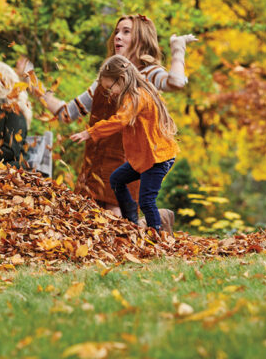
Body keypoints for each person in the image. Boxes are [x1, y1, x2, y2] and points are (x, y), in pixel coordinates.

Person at [19, 14, 196, 234]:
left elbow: (176, 82)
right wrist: (33, 84)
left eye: (126, 31)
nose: (118, 37)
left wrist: (178, 48)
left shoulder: (148, 74)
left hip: (129, 159)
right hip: (96, 165)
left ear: (141, 38)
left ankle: (160, 219)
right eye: (117, 31)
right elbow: (66, 114)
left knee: (116, 227)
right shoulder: (105, 80)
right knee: (87, 224)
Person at [70, 55, 178, 234]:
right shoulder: (132, 94)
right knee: (117, 179)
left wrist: (90, 133)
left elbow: (120, 120)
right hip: (145, 158)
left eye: (109, 88)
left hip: (157, 158)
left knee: (146, 200)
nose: (109, 93)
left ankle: (157, 238)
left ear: (121, 79)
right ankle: (133, 223)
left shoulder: (136, 97)